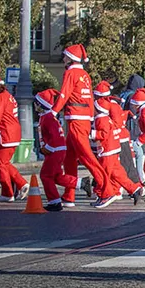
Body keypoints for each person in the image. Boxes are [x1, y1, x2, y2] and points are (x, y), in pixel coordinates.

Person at [53, 44, 109, 207]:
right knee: (69, 158)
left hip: (76, 118)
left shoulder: (70, 73)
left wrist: (54, 111)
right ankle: (69, 195)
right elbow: (90, 98)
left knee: (86, 157)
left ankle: (106, 191)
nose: (63, 59)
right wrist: (90, 118)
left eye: (65, 56)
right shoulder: (84, 74)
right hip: (82, 118)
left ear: (71, 58)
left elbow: (64, 94)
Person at [0, 73, 29, 203]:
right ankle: (21, 184)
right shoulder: (8, 96)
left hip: (4, 134)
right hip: (12, 133)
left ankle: (8, 193)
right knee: (4, 163)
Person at [91, 95, 142, 207]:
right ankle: (134, 189)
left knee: (103, 174)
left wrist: (92, 134)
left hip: (107, 150)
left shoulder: (101, 119)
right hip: (113, 149)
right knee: (117, 173)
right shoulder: (106, 118)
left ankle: (104, 195)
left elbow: (104, 134)